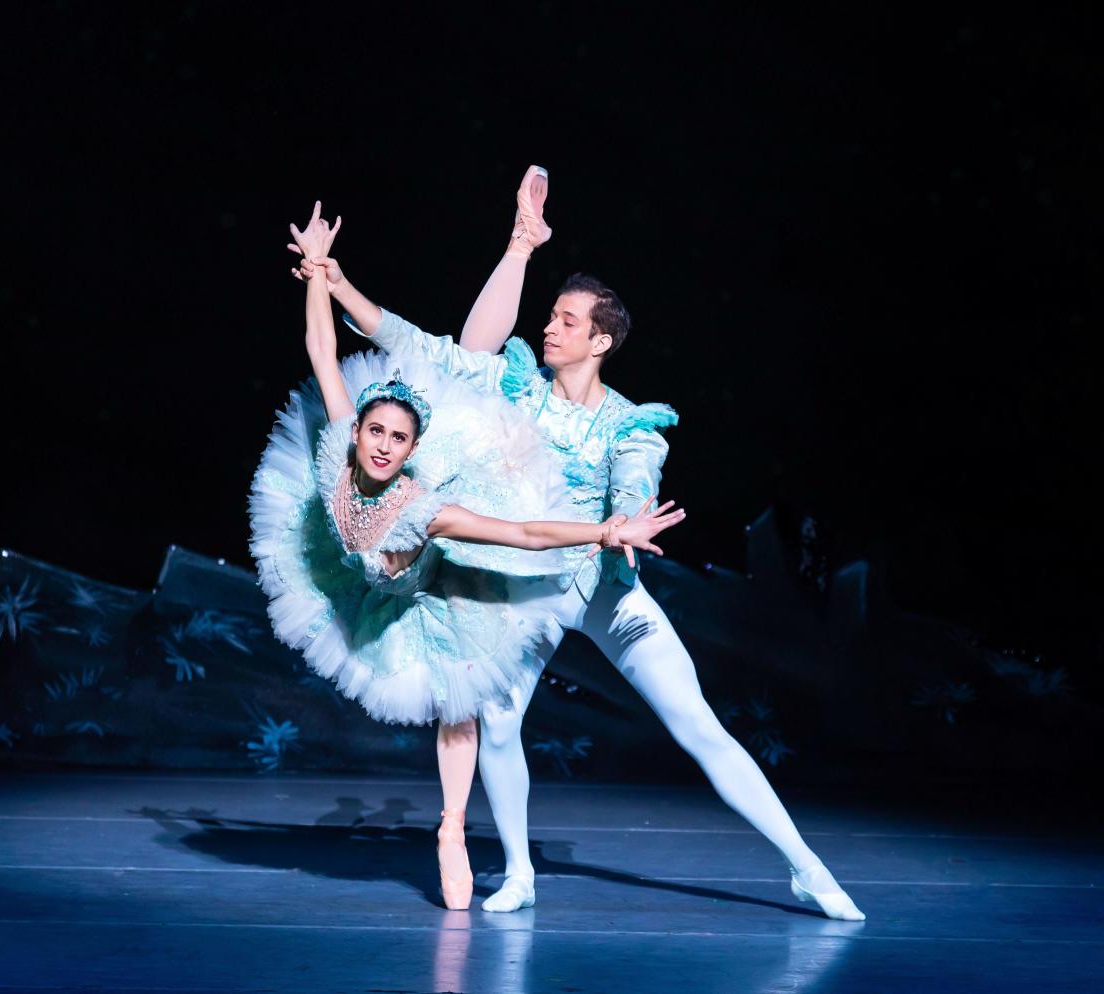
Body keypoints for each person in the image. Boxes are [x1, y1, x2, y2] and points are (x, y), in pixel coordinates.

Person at [291, 168, 866, 922]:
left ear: (600, 340)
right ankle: (521, 871)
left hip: (608, 589)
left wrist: (625, 521)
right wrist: (336, 282)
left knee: (698, 724)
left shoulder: (631, 425)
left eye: (565, 320)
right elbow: (432, 346)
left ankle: (807, 868)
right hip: (533, 594)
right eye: (552, 317)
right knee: (498, 720)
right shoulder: (518, 386)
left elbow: (635, 481)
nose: (549, 327)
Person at [251, 202, 684, 911]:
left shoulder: (428, 507)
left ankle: (452, 826)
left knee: (462, 701)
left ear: (413, 450)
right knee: (443, 363)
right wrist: (320, 276)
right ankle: (517, 246)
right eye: (377, 432)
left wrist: (604, 533)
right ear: (358, 429)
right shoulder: (337, 448)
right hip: (360, 579)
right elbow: (322, 351)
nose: (385, 445)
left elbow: (526, 536)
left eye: (398, 438)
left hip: (430, 582)